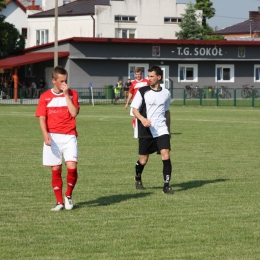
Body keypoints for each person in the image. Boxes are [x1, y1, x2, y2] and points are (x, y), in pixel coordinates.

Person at [35, 66, 80, 211]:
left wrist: (66, 95)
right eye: (61, 81)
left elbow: (73, 113)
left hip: (69, 135)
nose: (64, 84)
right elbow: (42, 118)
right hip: (52, 137)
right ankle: (59, 202)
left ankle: (68, 196)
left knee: (72, 167)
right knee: (56, 169)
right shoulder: (45, 96)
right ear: (53, 80)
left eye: (65, 80)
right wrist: (45, 134)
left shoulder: (72, 94)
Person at [130, 65, 173, 194]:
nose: (149, 79)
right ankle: (138, 178)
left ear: (159, 77)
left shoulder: (166, 93)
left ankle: (166, 186)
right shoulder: (143, 91)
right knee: (143, 160)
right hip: (146, 130)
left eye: (152, 76)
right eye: (148, 76)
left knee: (165, 154)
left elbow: (167, 112)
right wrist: (143, 120)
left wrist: (168, 130)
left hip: (161, 129)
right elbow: (134, 110)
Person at [124, 67, 150, 137]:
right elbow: (130, 93)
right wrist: (127, 103)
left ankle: (144, 131)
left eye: (139, 74)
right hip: (135, 102)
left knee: (144, 116)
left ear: (141, 74)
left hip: (144, 103)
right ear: (135, 74)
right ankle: (135, 129)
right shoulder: (133, 83)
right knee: (134, 116)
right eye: (137, 74)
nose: (138, 75)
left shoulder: (146, 82)